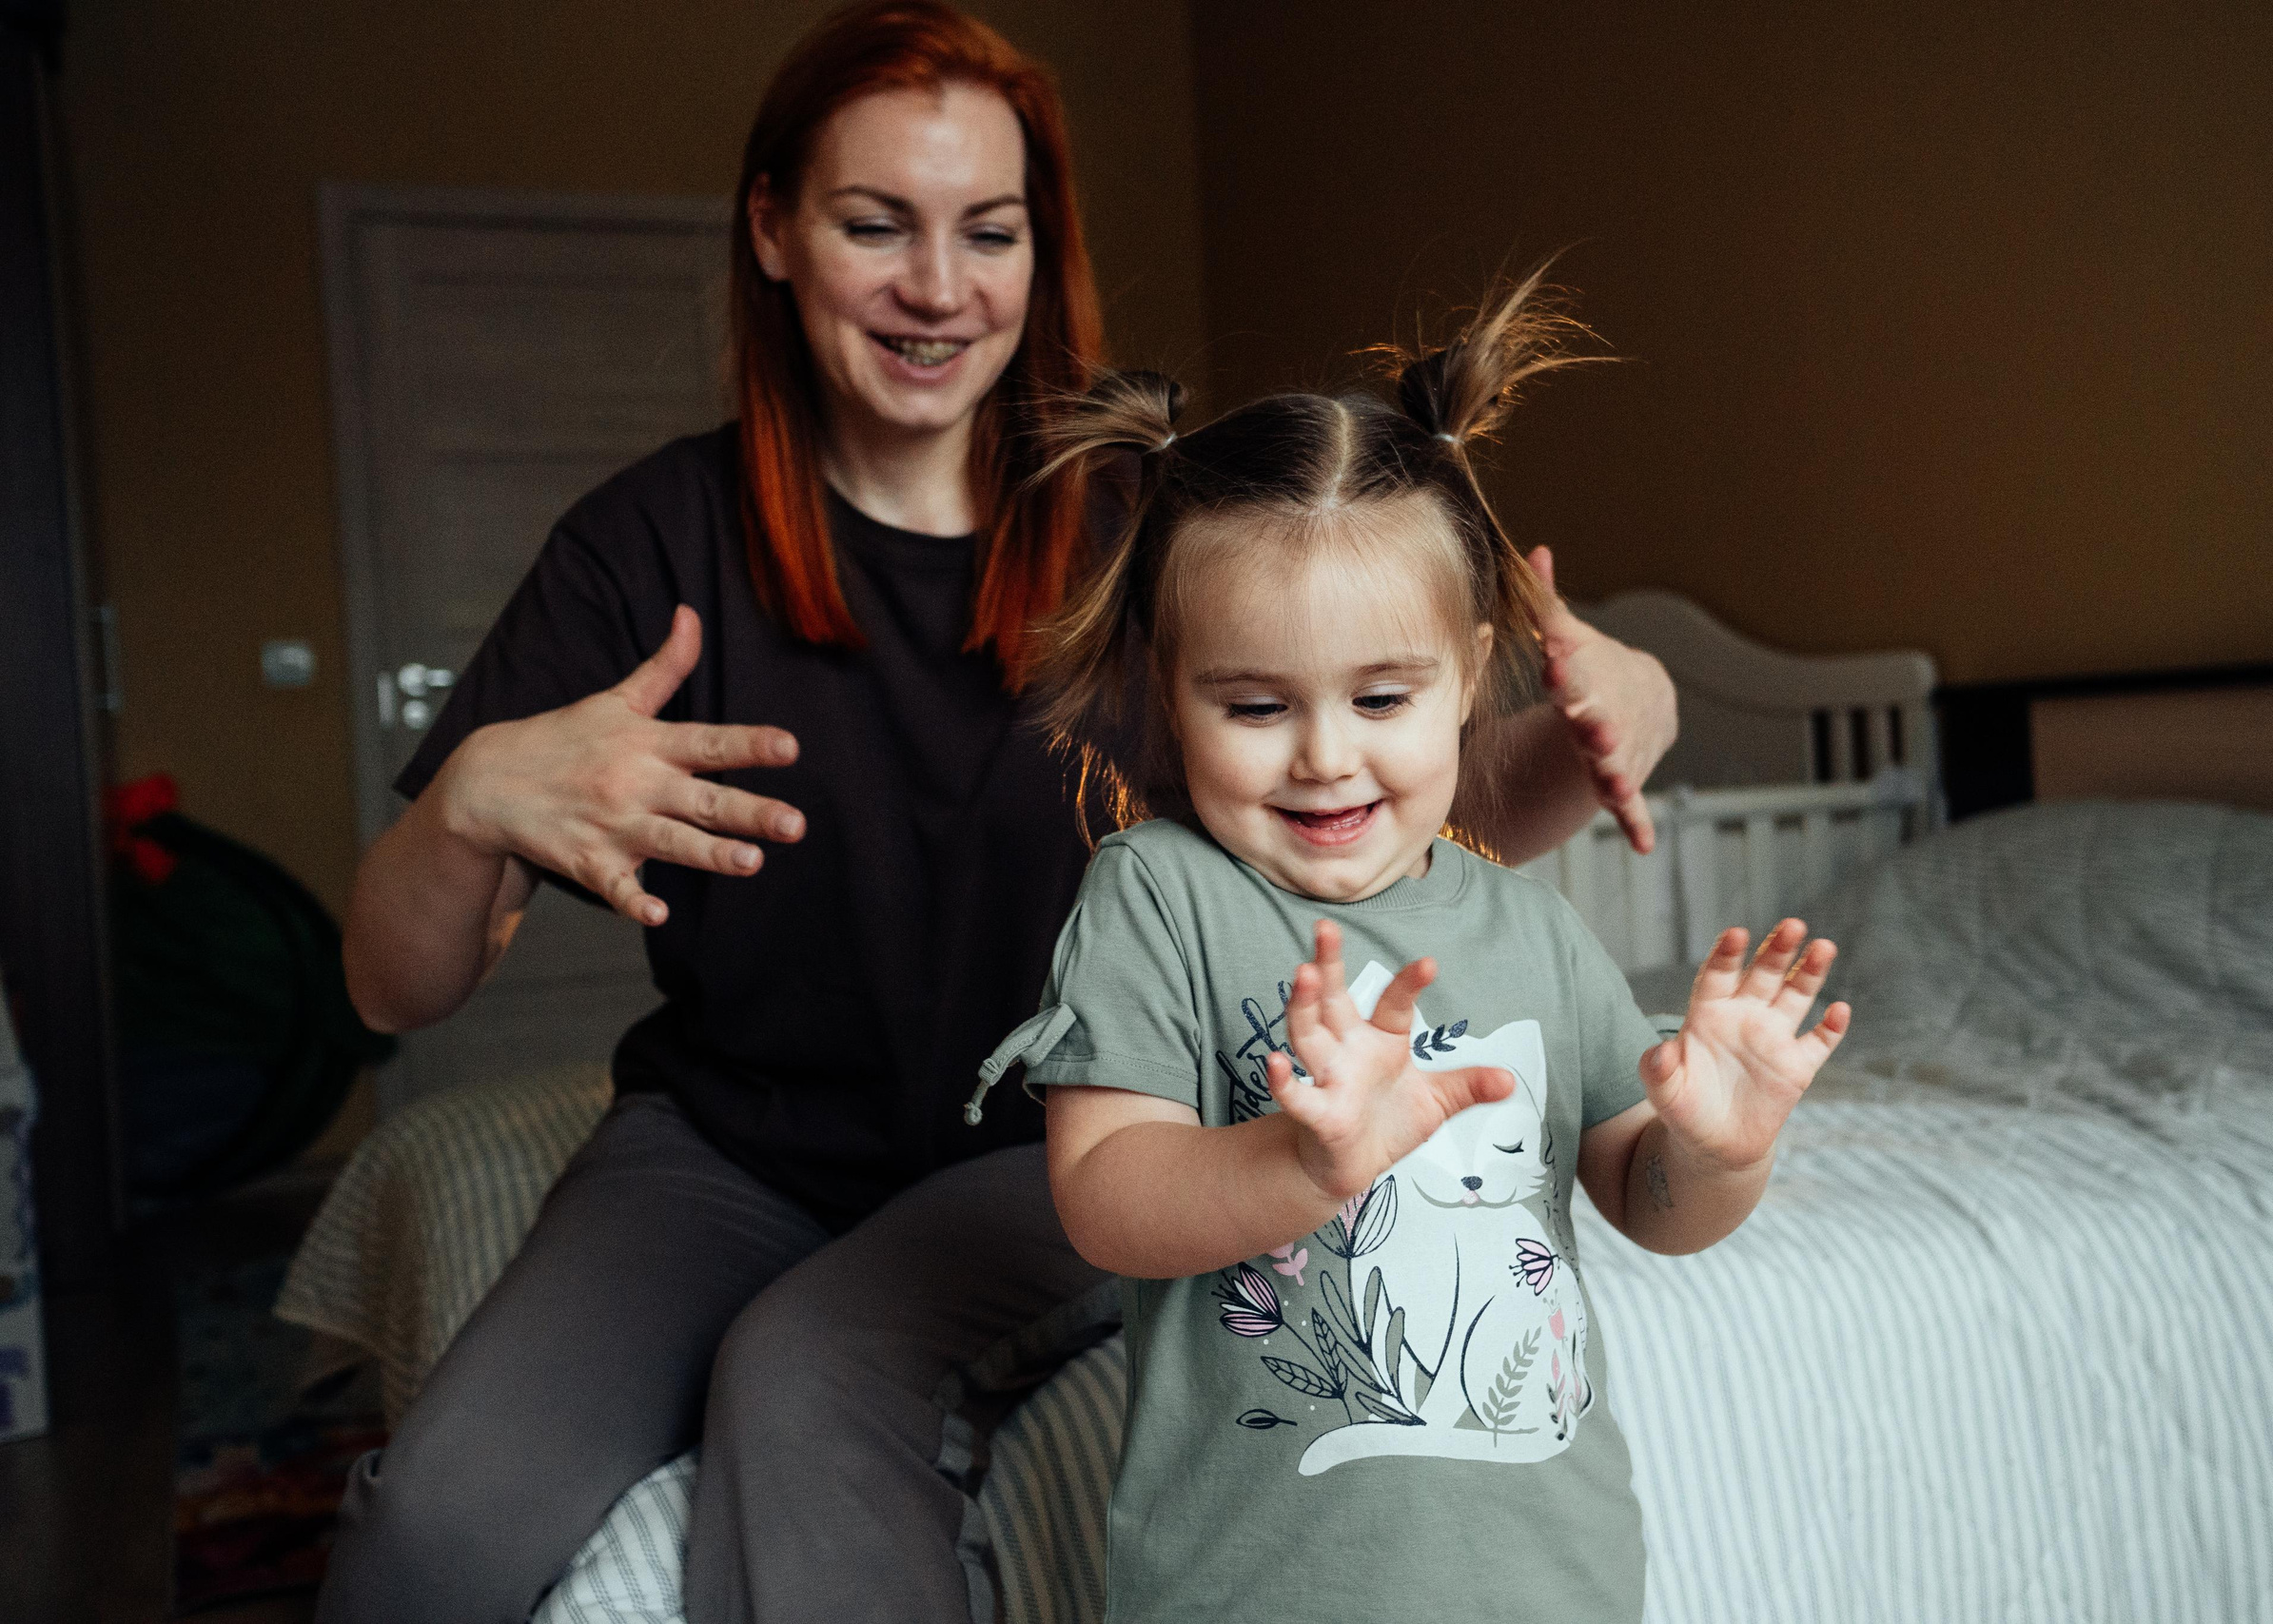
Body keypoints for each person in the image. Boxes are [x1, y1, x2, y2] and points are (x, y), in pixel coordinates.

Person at [321, 6, 1677, 1623]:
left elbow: (1377, 833)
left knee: (805, 1371)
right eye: (873, 224)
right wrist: (471, 800)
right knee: (435, 1522)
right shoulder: (647, 546)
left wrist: (1617, 732)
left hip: (1055, 1147)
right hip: (724, 1151)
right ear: (772, 229)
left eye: (991, 231)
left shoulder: (1134, 533)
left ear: (1045, 251)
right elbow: (391, 989)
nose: (939, 288)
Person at [976, 274, 1849, 1620]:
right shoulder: (1161, 897)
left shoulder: (1530, 927)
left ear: (1470, 675)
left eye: (1383, 696)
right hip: (1251, 1594)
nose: (1327, 755)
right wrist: (1301, 1159)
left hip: (1553, 1583)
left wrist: (1719, 1150)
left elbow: (1649, 1208)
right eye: (1256, 704)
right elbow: (1105, 1194)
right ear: (1170, 693)